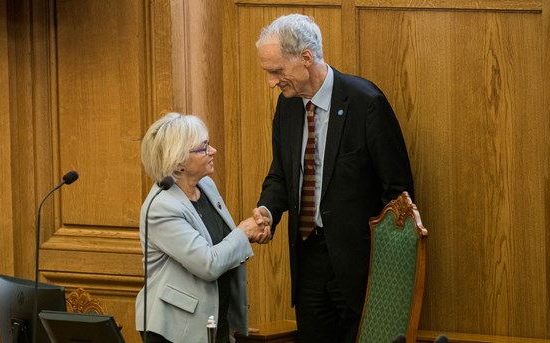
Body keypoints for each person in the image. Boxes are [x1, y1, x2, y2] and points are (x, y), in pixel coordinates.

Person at [252, 14, 415, 342]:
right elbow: (281, 174)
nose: (272, 82)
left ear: (306, 59)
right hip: (308, 261)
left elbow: (398, 194)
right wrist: (268, 210)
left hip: (360, 267)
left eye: (277, 71)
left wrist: (387, 270)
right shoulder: (287, 107)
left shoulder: (365, 102)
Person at [136, 112, 266, 343]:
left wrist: (254, 233)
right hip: (176, 328)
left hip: (215, 318)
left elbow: (222, 240)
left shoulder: (205, 185)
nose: (213, 150)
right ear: (178, 161)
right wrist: (243, 233)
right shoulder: (161, 207)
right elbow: (208, 264)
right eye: (203, 147)